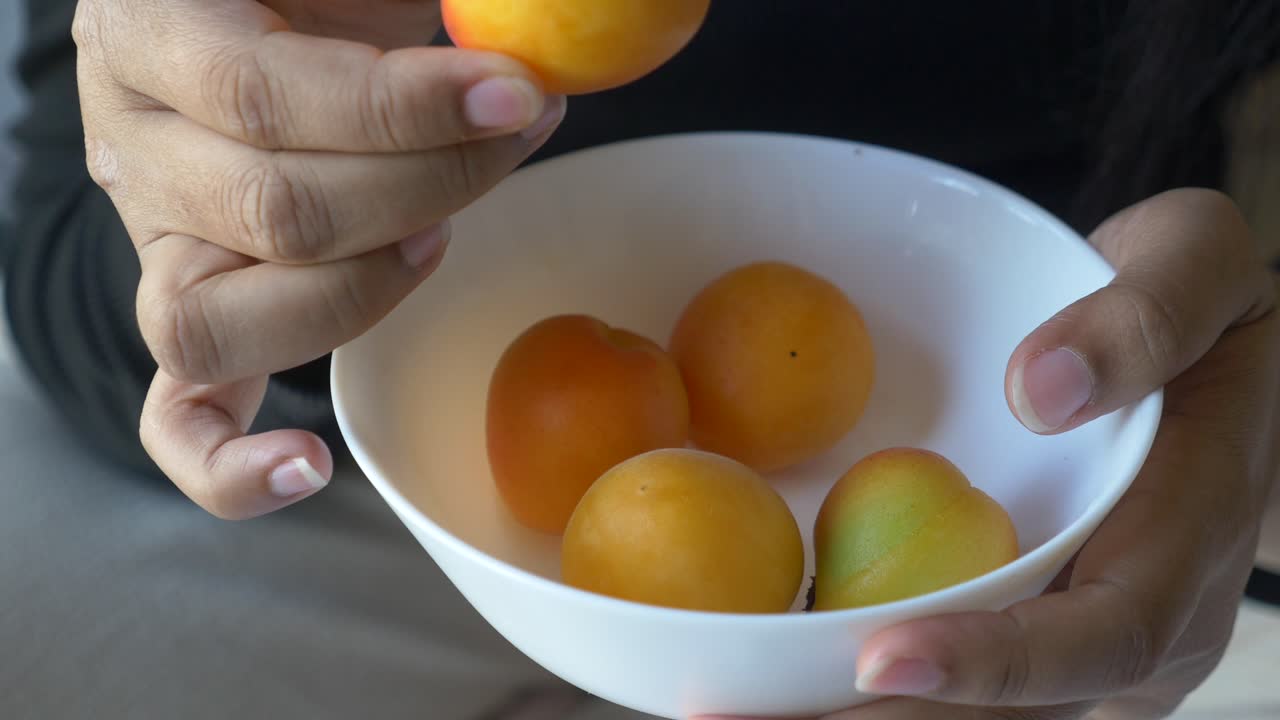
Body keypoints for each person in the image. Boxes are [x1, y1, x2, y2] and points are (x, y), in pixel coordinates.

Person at [3, 1, 1280, 719]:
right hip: (397, 482)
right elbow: (61, 254)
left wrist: (1244, 374)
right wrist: (254, 230)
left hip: (1054, 412)